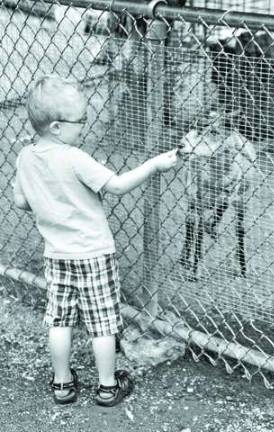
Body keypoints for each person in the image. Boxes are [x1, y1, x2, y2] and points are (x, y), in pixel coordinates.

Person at [13, 75, 178, 406]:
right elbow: (115, 185)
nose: (85, 126)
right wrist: (154, 164)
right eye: (82, 120)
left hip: (56, 255)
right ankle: (107, 387)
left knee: (59, 321)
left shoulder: (26, 157)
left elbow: (21, 201)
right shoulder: (74, 157)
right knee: (103, 323)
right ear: (57, 126)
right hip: (93, 254)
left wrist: (49, 197)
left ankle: (62, 384)